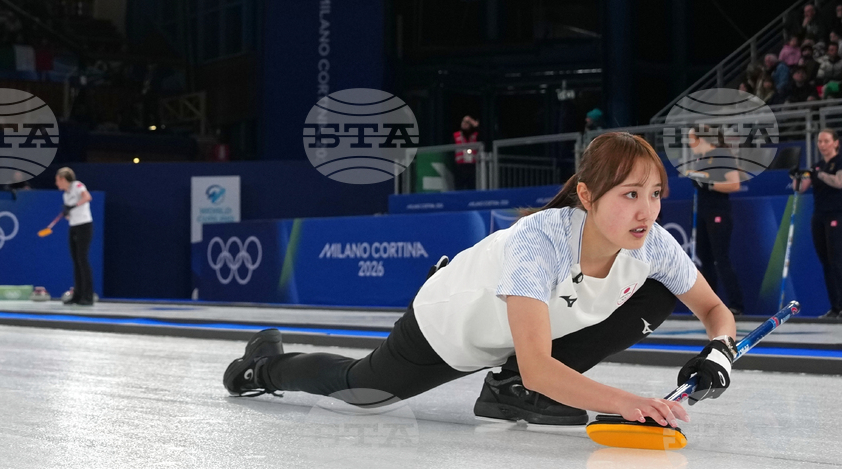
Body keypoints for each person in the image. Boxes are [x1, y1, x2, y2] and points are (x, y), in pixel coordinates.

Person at [224, 133, 739, 431]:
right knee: (365, 391)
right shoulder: (539, 241)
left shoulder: (652, 243)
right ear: (587, 195)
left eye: (655, 194)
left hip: (526, 339)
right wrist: (627, 403)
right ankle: (263, 367)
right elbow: (540, 367)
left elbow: (715, 311)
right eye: (630, 194)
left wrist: (718, 352)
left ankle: (507, 389)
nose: (646, 210)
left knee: (660, 288)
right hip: (450, 324)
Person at [686, 127, 744, 315]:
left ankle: (736, 305)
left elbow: (734, 184)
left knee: (721, 258)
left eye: (692, 139)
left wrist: (709, 183)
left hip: (718, 212)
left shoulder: (721, 155)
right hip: (704, 212)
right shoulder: (700, 160)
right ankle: (710, 306)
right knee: (705, 259)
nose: (689, 144)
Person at [797, 130, 842, 318]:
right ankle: (835, 307)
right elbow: (801, 189)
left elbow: (839, 182)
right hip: (819, 216)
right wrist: (797, 177)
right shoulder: (816, 166)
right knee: (826, 263)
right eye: (820, 141)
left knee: (836, 261)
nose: (822, 144)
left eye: (826, 141)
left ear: (835, 143)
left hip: (837, 215)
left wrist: (818, 174)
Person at [55, 167, 94, 305]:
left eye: (57, 180)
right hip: (73, 227)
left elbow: (87, 197)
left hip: (84, 226)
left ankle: (88, 296)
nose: (56, 183)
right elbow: (70, 214)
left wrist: (74, 205)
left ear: (63, 179)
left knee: (82, 259)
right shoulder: (65, 195)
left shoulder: (78, 186)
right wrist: (67, 213)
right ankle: (77, 295)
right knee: (76, 260)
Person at [452, 116, 479, 191]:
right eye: (463, 121)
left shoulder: (475, 135)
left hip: (472, 167)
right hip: (460, 167)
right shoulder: (455, 135)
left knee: (471, 188)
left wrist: (475, 124)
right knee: (459, 188)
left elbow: (485, 136)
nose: (464, 123)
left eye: (467, 122)